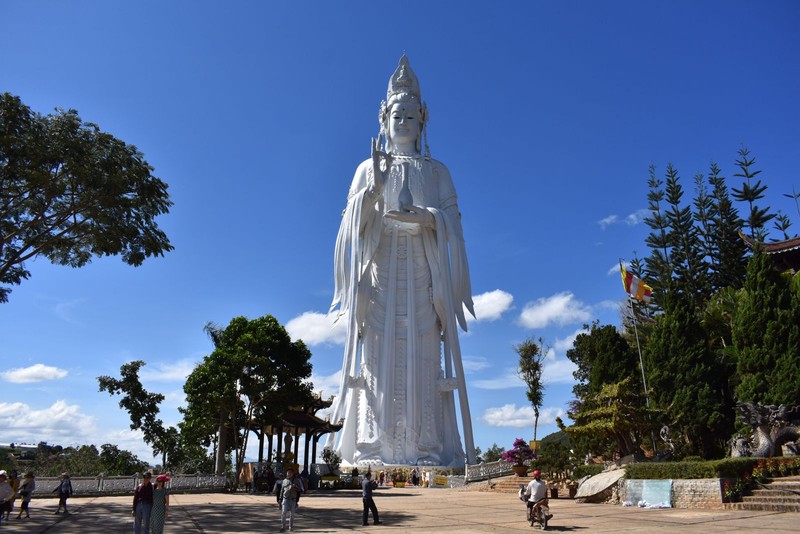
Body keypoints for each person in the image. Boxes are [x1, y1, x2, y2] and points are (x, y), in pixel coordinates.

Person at [327, 55, 475, 467]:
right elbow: (349, 226)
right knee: (377, 359)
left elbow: (454, 223)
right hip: (382, 275)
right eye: (397, 114)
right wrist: (373, 191)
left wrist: (427, 217)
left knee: (425, 361)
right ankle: (372, 447)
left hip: (423, 277)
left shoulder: (437, 171)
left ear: (423, 119)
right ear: (384, 118)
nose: (404, 121)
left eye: (411, 114)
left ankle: (427, 449)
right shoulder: (366, 168)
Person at [278, 467, 303, 532]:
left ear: (293, 473)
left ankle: (290, 527)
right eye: (288, 472)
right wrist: (280, 499)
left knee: (292, 514)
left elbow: (300, 489)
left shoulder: (296, 480)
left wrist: (295, 487)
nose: (289, 474)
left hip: (293, 499)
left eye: (290, 473)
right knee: (283, 513)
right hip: (285, 499)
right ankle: (283, 527)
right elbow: (282, 490)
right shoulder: (284, 481)